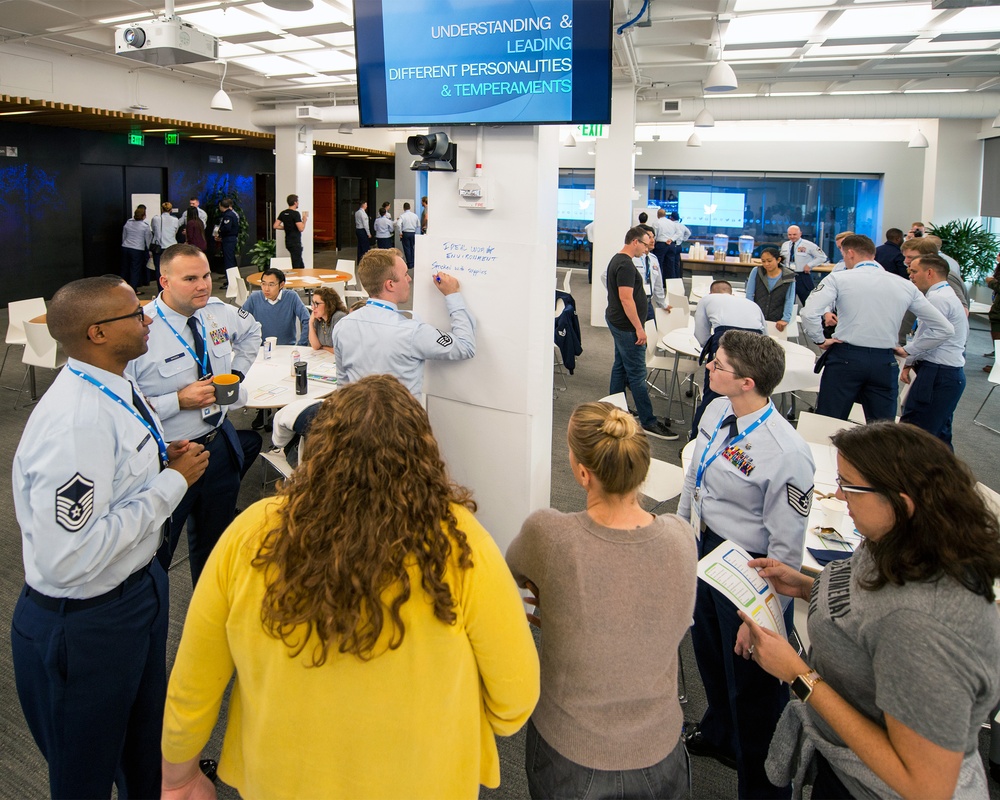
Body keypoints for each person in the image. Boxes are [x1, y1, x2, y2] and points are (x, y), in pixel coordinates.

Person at [160, 375, 539, 799]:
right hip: (424, 779)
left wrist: (178, 774)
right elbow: (515, 695)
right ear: (424, 453)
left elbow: (195, 677)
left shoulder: (252, 531)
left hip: (283, 777)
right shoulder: (459, 540)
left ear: (318, 447)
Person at [11, 276, 209, 799]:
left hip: (136, 591)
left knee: (143, 746)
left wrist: (153, 465)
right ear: (98, 332)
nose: (148, 320)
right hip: (85, 624)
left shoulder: (115, 381)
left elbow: (115, 474)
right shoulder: (75, 423)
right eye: (135, 314)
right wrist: (172, 483)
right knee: (86, 775)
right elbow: (67, 560)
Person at [741, 422, 1000, 800]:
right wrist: (808, 587)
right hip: (847, 767)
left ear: (901, 502)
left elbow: (925, 785)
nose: (839, 495)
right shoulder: (899, 540)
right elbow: (869, 615)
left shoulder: (920, 627)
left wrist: (798, 674)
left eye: (850, 487)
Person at [507, 402, 696, 800]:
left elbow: (509, 576)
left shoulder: (550, 536)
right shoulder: (681, 537)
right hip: (662, 753)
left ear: (581, 473)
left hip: (571, 755)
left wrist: (553, 598)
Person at [677, 330, 814, 800]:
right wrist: (681, 536)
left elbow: (786, 551)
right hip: (705, 551)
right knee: (710, 656)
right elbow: (694, 477)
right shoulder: (717, 410)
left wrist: (763, 616)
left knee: (755, 692)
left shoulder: (787, 452)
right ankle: (719, 734)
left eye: (718, 366)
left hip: (752, 572)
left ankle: (762, 787)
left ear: (748, 382)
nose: (709, 369)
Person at [128, 244, 262, 586]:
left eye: (205, 276)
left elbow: (252, 333)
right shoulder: (140, 331)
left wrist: (237, 373)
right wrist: (177, 401)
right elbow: (123, 408)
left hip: (219, 444)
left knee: (216, 543)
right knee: (155, 554)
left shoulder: (216, 312)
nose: (203, 285)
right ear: (165, 282)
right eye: (190, 278)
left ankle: (211, 609)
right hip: (169, 455)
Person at [802, 234, 953, 422]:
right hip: (885, 361)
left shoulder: (838, 279)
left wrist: (819, 339)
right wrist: (910, 350)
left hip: (846, 358)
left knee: (829, 422)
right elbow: (945, 328)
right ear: (872, 254)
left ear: (850, 253)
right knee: (882, 430)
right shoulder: (905, 284)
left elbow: (809, 313)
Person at [331, 248, 476, 397]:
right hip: (402, 419)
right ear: (390, 285)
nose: (409, 279)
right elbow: (465, 347)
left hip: (355, 417)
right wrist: (453, 295)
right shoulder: (412, 332)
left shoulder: (343, 326)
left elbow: (343, 386)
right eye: (405, 274)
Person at [605, 226, 678, 440]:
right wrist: (639, 328)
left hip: (618, 321)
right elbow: (626, 299)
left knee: (620, 366)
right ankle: (649, 421)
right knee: (637, 374)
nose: (647, 249)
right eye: (645, 244)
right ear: (635, 241)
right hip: (627, 326)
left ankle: (614, 409)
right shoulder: (626, 264)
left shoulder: (617, 260)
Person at [897, 254, 968, 448]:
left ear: (929, 273)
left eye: (913, 271)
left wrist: (906, 351)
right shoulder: (945, 295)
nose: (910, 275)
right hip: (946, 373)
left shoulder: (937, 299)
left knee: (915, 435)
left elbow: (936, 335)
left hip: (938, 373)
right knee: (939, 437)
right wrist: (911, 361)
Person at [691, 280, 767, 437]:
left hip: (725, 337)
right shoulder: (751, 304)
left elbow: (700, 332)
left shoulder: (707, 300)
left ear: (711, 293)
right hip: (756, 340)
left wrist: (711, 350)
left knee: (713, 392)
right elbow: (764, 334)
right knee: (750, 393)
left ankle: (696, 439)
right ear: (731, 293)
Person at [241, 267, 309, 347]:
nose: (266, 289)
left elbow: (307, 320)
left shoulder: (291, 297)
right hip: (261, 349)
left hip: (287, 348)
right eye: (263, 284)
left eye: (271, 285)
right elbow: (240, 320)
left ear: (281, 285)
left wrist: (302, 344)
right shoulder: (254, 298)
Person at [745, 246, 795, 330]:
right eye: (763, 261)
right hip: (757, 317)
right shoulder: (756, 271)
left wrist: (785, 319)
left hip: (777, 320)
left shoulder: (788, 276)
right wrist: (751, 314)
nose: (766, 264)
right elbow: (749, 294)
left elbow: (789, 299)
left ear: (778, 260)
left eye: (769, 261)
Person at [781, 225, 827, 304]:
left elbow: (822, 257)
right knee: (787, 302)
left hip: (802, 275)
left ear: (800, 234)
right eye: (790, 235)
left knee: (808, 302)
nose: (792, 237)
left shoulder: (809, 245)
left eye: (794, 234)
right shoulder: (785, 245)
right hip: (787, 275)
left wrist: (809, 265)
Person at [308, 285, 348, 354]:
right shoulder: (319, 319)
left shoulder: (338, 317)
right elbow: (316, 346)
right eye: (312, 303)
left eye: (317, 304)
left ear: (328, 304)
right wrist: (310, 323)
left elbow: (341, 350)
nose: (313, 308)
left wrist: (323, 347)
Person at [121, 206, 152, 294]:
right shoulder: (145, 226)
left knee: (124, 269)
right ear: (144, 215)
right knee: (135, 269)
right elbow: (148, 240)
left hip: (125, 247)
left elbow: (124, 236)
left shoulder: (128, 222)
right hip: (137, 249)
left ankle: (122, 287)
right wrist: (149, 251)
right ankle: (133, 289)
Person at [273, 194, 308, 270]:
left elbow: (275, 226)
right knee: (296, 264)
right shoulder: (295, 214)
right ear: (295, 203)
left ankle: (302, 275)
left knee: (300, 263)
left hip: (288, 241)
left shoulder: (283, 213)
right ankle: (297, 278)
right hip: (295, 242)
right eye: (297, 201)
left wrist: (285, 227)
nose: (298, 203)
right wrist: (304, 221)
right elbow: (301, 228)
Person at [151, 201, 181, 283]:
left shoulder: (155, 219)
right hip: (171, 246)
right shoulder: (175, 220)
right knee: (172, 268)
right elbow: (175, 232)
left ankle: (161, 289)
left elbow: (154, 230)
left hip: (159, 247)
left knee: (158, 269)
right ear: (171, 210)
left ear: (161, 209)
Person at [217, 198, 240, 272]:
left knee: (229, 260)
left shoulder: (228, 215)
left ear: (221, 206)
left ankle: (230, 280)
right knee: (231, 258)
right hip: (231, 239)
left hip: (228, 239)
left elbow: (227, 227)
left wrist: (220, 231)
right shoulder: (232, 214)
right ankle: (233, 277)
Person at [398, 201, 421, 269]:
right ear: (410, 207)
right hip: (413, 233)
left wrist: (400, 232)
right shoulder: (415, 215)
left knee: (407, 248)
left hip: (405, 233)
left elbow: (399, 224)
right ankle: (413, 262)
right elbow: (418, 225)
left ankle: (410, 263)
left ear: (403, 208)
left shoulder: (402, 216)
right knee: (412, 247)